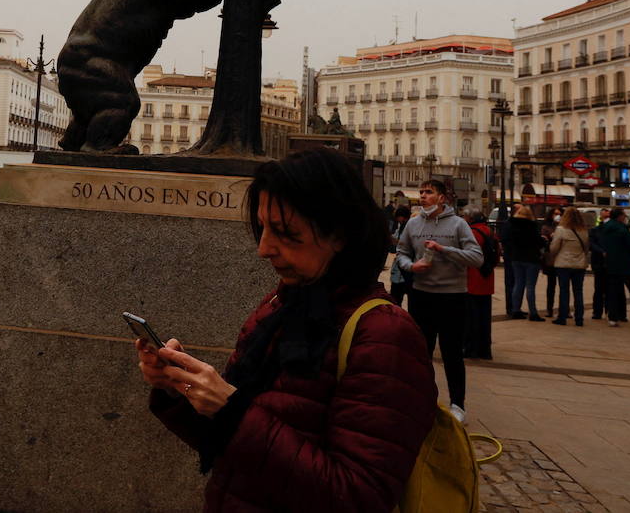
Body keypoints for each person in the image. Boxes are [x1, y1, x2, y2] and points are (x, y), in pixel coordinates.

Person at [137, 147, 436, 511]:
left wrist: (233, 412)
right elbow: (232, 445)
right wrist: (180, 387)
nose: (264, 249)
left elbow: (360, 496)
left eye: (284, 232)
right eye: (262, 228)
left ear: (339, 233)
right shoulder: (280, 306)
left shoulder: (385, 335)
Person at [396, 178, 482, 422]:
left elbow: (477, 258)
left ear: (442, 198)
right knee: (421, 351)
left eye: (429, 192)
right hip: (421, 295)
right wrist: (412, 266)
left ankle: (457, 404)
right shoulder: (413, 224)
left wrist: (445, 250)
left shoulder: (458, 225)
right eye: (421, 192)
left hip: (453, 296)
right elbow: (401, 253)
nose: (423, 196)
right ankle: (423, 400)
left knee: (451, 352)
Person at [598, 208, 630, 329]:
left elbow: (618, 243)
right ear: (620, 216)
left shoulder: (607, 228)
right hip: (626, 265)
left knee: (613, 292)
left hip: (612, 264)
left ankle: (613, 317)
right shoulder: (621, 228)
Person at [548, 206, 590, 326]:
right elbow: (586, 248)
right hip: (579, 264)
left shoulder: (561, 229)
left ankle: (562, 317)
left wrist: (552, 255)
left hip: (563, 263)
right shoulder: (584, 230)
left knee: (564, 291)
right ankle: (579, 318)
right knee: (578, 292)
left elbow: (554, 248)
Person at [464, 209, 495, 359]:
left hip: (473, 278)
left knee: (472, 317)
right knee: (484, 317)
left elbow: (468, 255)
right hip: (487, 278)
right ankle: (485, 349)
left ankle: (472, 349)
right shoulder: (489, 231)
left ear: (470, 217)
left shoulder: (472, 232)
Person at [506, 205, 545, 321]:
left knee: (518, 284)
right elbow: (538, 242)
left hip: (516, 258)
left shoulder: (512, 225)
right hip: (531, 258)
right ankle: (533, 312)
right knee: (530, 286)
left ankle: (515, 310)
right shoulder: (532, 226)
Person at [388, 206, 413, 307]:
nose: (397, 219)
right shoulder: (402, 225)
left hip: (404, 270)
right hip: (400, 270)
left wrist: (395, 241)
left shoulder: (409, 226)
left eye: (398, 217)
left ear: (402, 217)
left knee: (396, 298)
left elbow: (404, 244)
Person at [588, 217, 609, 320]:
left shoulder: (611, 230)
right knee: (599, 288)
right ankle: (597, 312)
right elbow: (591, 244)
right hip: (598, 263)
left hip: (608, 263)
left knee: (608, 288)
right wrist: (602, 251)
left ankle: (608, 310)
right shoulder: (594, 230)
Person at [540, 214, 558, 318]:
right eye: (555, 214)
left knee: (564, 286)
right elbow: (544, 243)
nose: (557, 216)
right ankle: (549, 309)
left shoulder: (565, 228)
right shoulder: (546, 228)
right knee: (551, 285)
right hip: (551, 259)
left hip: (561, 259)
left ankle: (565, 309)